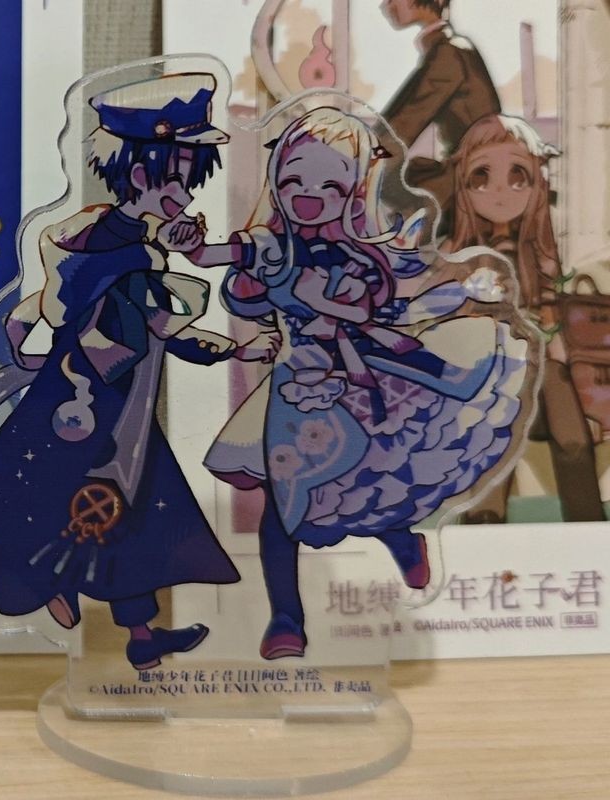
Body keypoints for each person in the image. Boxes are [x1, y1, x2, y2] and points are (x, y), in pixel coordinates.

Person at [0, 73, 280, 671]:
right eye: (173, 180)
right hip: (86, 412)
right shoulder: (118, 252)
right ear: (137, 175)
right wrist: (230, 348)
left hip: (109, 409)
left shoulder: (110, 240)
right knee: (66, 505)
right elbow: (149, 331)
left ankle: (137, 634)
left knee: (123, 515)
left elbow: (132, 326)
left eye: (187, 181)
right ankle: (56, 594)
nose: (183, 196)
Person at [182, 107, 533, 659]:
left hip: (360, 378)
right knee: (284, 506)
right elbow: (218, 261)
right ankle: (286, 618)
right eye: (294, 179)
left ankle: (401, 541)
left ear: (353, 192)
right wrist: (192, 243)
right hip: (294, 389)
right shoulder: (269, 243)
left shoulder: (361, 253)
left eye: (330, 185)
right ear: (276, 178)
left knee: (367, 484)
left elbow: (366, 307)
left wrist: (322, 301)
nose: (308, 195)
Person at [447, 114, 605, 522]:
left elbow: (550, 312)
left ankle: (588, 524)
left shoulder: (540, 253)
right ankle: (484, 519)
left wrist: (562, 356)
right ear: (464, 186)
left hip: (542, 359)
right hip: (490, 364)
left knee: (572, 439)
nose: (500, 191)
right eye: (482, 177)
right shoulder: (459, 254)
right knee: (497, 432)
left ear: (538, 184)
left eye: (518, 177)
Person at [379, 0, 501, 216]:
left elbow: (406, 123)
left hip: (477, 182)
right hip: (471, 174)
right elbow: (397, 119)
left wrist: (362, 163)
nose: (386, 5)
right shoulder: (445, 49)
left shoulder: (450, 53)